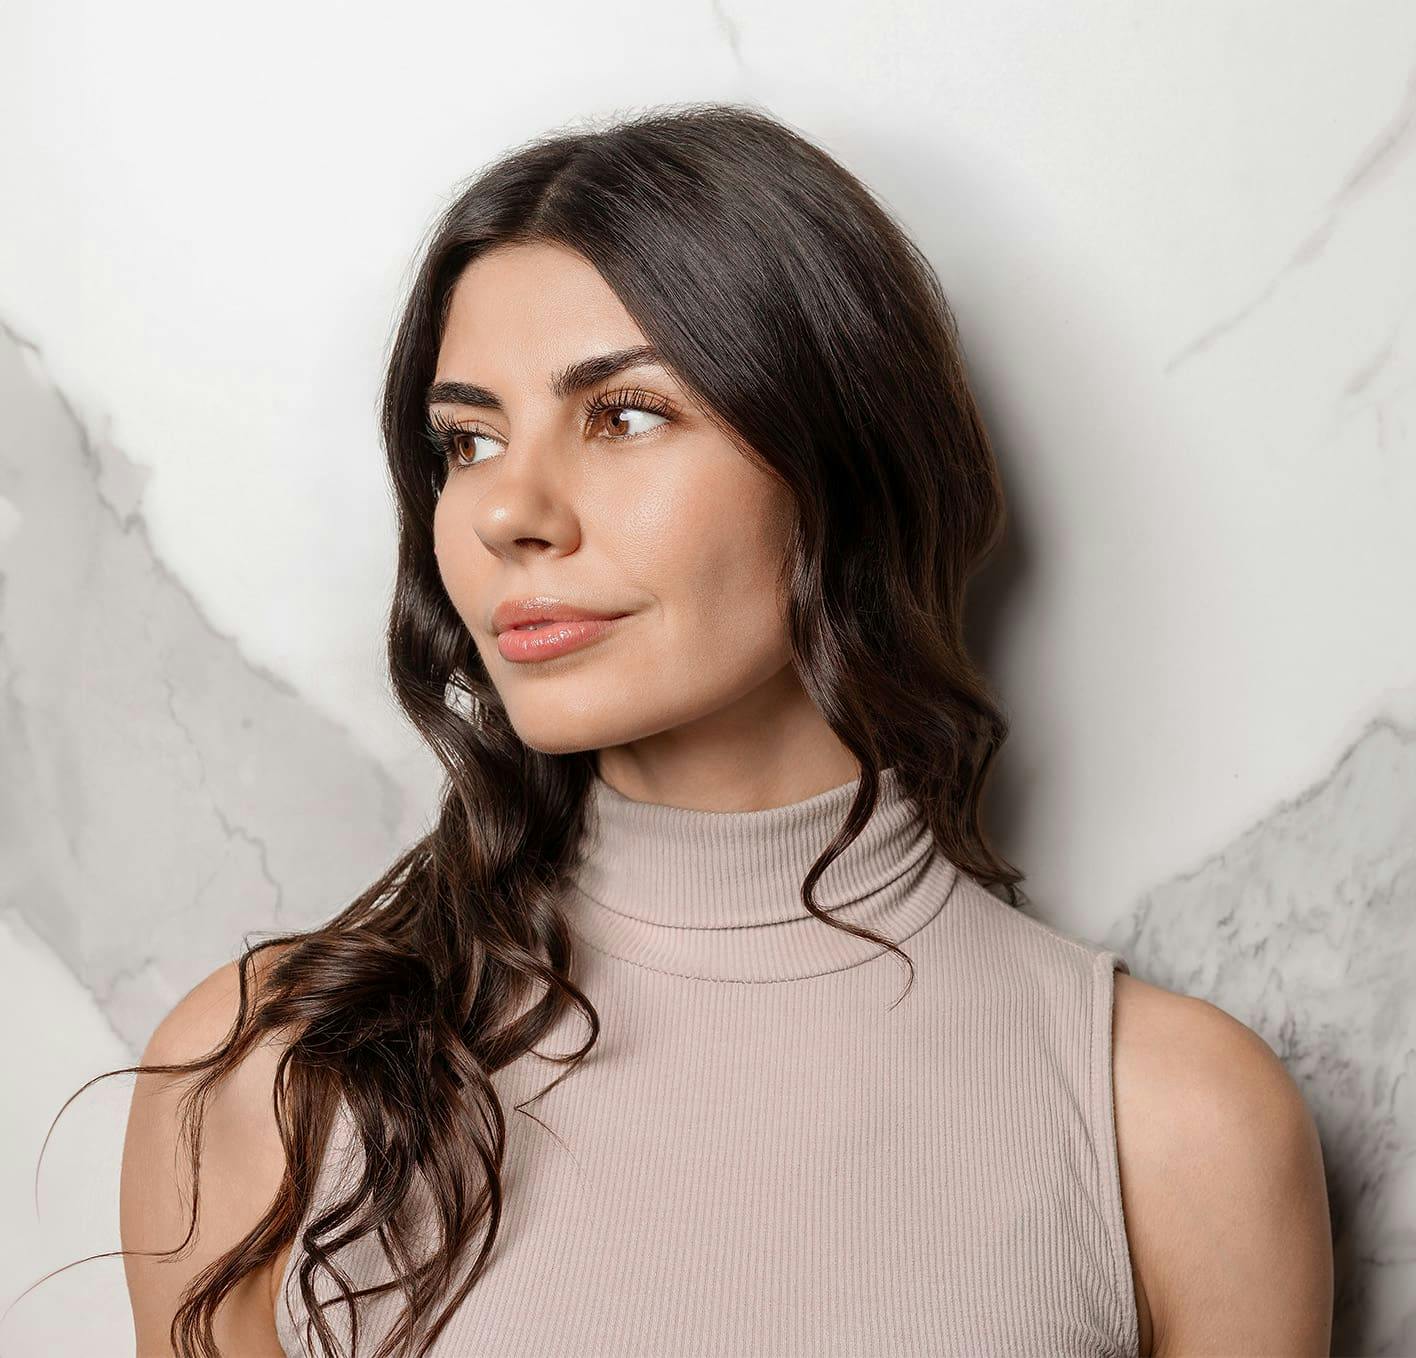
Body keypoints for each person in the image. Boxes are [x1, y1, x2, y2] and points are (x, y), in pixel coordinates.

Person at [117, 104, 1332, 1356]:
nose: (507, 512)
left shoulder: (1172, 1125)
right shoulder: (268, 1077)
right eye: (467, 440)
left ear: (841, 456)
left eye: (625, 414)